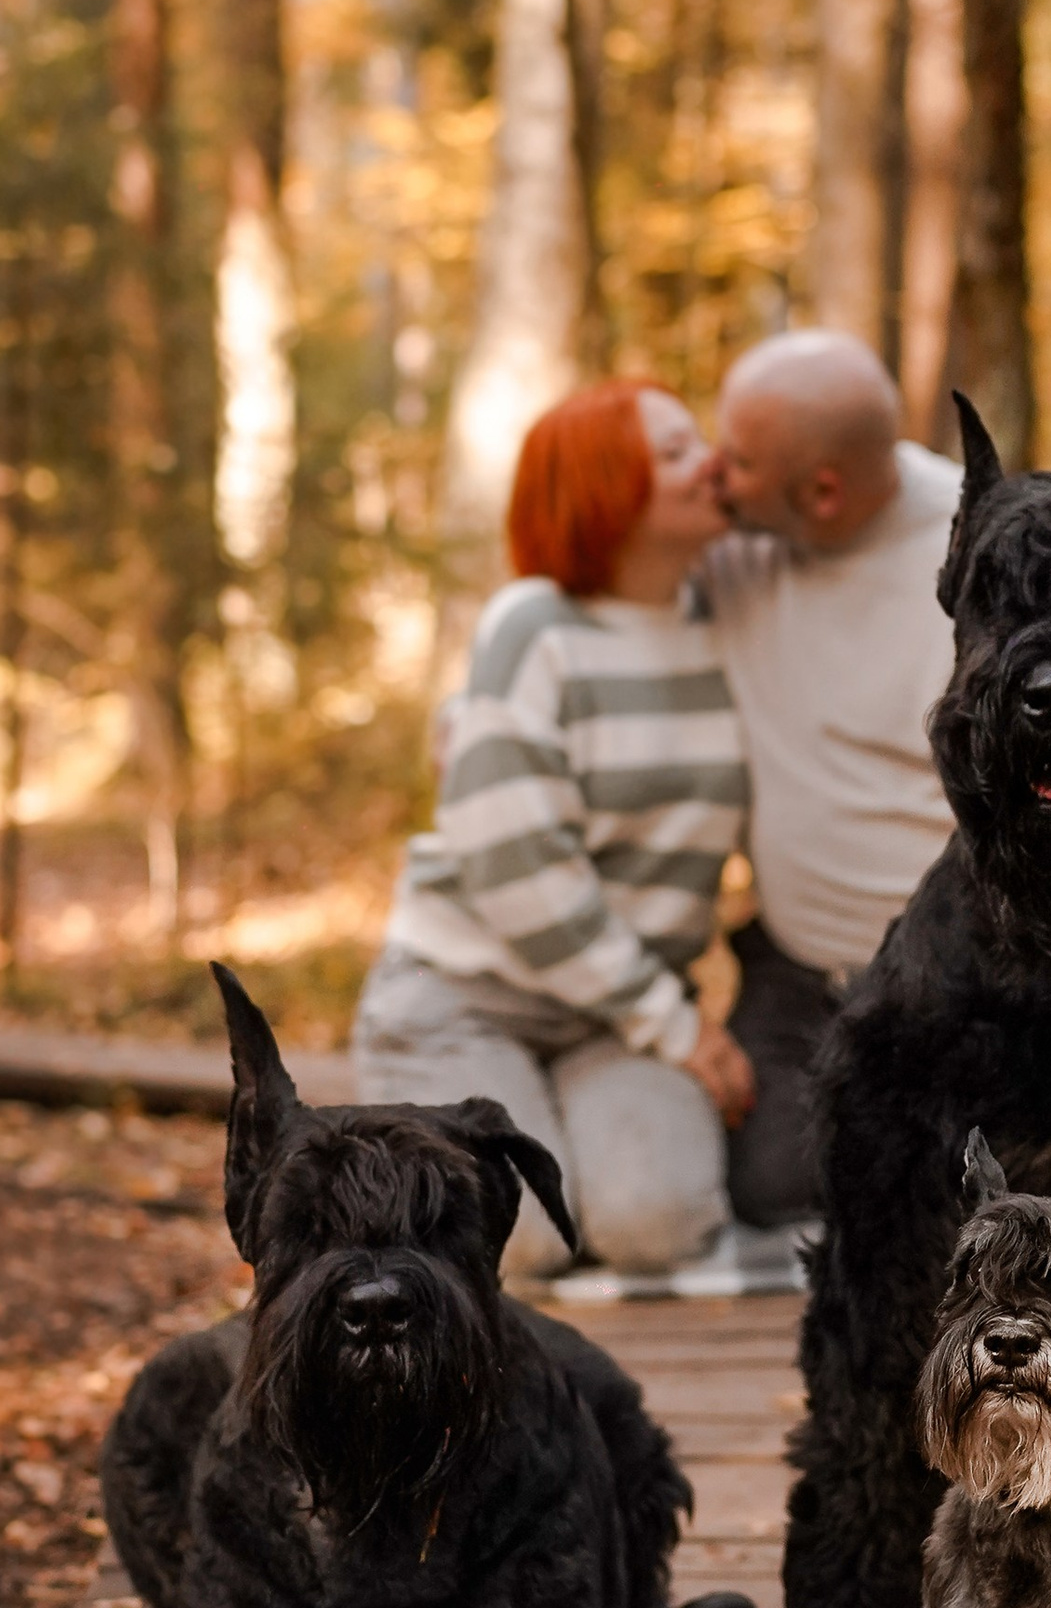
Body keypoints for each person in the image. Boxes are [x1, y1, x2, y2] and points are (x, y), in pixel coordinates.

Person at [345, 380, 756, 1287]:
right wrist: (678, 1027)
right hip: (465, 997)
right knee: (515, 1241)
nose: (714, 463)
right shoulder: (533, 627)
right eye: (680, 451)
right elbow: (516, 862)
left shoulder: (729, 618)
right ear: (609, 488)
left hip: (614, 1020)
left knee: (655, 1225)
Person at [699, 330, 960, 1247]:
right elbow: (595, 579)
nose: (712, 473)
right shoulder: (734, 541)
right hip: (797, 974)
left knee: (966, 1183)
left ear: (822, 491)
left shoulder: (975, 550)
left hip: (952, 984)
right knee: (777, 1183)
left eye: (736, 459)